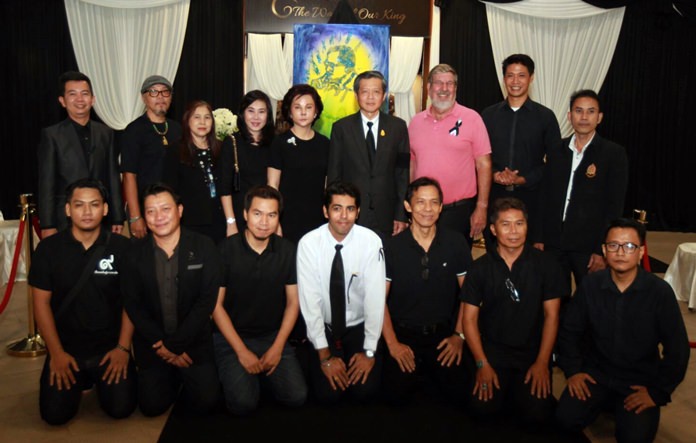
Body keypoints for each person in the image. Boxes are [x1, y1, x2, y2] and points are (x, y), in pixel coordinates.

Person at [555, 218, 690, 442]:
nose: (620, 252)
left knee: (635, 438)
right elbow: (570, 331)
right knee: (564, 419)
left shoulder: (659, 292)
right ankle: (606, 404)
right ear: (604, 250)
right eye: (613, 245)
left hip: (638, 381)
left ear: (641, 252)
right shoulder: (590, 285)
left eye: (629, 246)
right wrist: (573, 370)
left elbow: (678, 350)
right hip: (596, 375)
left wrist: (657, 393)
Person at [30, 178, 137, 425]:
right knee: (54, 416)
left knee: (120, 409)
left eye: (94, 204)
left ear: (106, 209)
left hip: (109, 350)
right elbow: (41, 304)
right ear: (68, 210)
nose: (87, 212)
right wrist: (56, 353)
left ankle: (98, 379)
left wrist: (122, 349)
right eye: (79, 205)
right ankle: (81, 378)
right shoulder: (49, 249)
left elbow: (131, 301)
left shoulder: (123, 248)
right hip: (66, 349)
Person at [460, 197, 568, 425]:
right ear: (493, 229)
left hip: (531, 352)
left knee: (537, 416)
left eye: (520, 224)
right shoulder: (479, 269)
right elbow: (469, 320)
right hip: (493, 352)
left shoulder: (547, 265)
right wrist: (482, 363)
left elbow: (552, 316)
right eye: (506, 224)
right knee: (482, 411)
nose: (513, 231)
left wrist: (542, 362)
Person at [121, 183, 222, 417]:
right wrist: (162, 346)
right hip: (153, 345)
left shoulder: (204, 246)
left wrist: (176, 345)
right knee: (151, 406)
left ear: (180, 210)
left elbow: (206, 301)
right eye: (151, 211)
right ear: (144, 216)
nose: (159, 217)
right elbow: (132, 303)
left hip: (193, 342)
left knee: (206, 403)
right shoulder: (133, 253)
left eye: (165, 209)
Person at [213, 185, 307, 415]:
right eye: (257, 213)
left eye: (271, 215)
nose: (264, 222)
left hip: (272, 336)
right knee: (243, 404)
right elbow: (215, 306)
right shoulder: (225, 249)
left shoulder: (287, 250)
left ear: (278, 218)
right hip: (233, 337)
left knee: (297, 397)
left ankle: (263, 369)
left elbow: (293, 303)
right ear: (245, 215)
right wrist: (241, 351)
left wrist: (276, 347)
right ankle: (243, 373)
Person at [381, 177, 472, 406]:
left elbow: (469, 296)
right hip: (403, 335)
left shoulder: (456, 242)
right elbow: (377, 301)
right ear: (408, 207)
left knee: (458, 396)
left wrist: (459, 336)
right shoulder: (391, 247)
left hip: (443, 336)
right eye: (420, 202)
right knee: (394, 397)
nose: (428, 209)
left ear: (441, 207)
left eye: (434, 203)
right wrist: (393, 344)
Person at [297, 181, 386, 404]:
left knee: (365, 392)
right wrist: (325, 356)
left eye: (350, 209)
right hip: (325, 328)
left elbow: (376, 299)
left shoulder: (371, 241)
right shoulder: (309, 244)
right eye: (337, 208)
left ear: (358, 212)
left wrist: (369, 351)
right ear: (325, 211)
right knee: (329, 395)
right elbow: (310, 303)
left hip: (359, 326)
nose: (344, 216)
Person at [541, 89, 629, 289]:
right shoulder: (556, 150)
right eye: (578, 111)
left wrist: (602, 248)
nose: (584, 117)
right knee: (554, 300)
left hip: (589, 247)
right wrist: (539, 238)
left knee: (591, 302)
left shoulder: (613, 154)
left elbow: (614, 206)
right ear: (569, 116)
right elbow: (543, 196)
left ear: (599, 117)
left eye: (590, 112)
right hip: (553, 243)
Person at [481, 54, 561, 250]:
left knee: (530, 265)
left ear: (531, 78)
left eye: (521, 75)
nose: (515, 81)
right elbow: (478, 157)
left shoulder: (545, 117)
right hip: (495, 197)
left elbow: (556, 162)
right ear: (504, 78)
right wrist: (494, 175)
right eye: (510, 75)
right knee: (495, 260)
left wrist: (523, 179)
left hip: (532, 199)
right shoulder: (488, 115)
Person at [409, 63, 492, 247]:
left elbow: (484, 165)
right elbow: (412, 164)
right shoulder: (415, 122)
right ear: (429, 88)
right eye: (438, 83)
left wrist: (482, 207)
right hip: (423, 211)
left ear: (455, 88)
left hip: (458, 212)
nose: (444, 89)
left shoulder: (472, 119)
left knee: (457, 270)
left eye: (450, 83)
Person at [37, 71, 124, 237]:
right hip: (65, 219)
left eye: (85, 94)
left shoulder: (106, 133)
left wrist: (118, 218)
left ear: (93, 99)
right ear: (62, 101)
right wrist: (47, 224)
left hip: (101, 218)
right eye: (72, 94)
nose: (79, 99)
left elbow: (113, 177)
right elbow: (46, 182)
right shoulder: (52, 135)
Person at [327, 70, 410, 239]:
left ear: (384, 95)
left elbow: (402, 174)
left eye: (376, 92)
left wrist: (401, 214)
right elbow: (334, 175)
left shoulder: (398, 127)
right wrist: (334, 213)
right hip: (350, 215)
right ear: (356, 95)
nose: (370, 97)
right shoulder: (341, 128)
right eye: (365, 92)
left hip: (387, 216)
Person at [121, 75, 182, 239]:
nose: (160, 97)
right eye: (154, 92)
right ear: (144, 97)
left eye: (165, 92)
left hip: (173, 208)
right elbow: (129, 176)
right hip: (145, 209)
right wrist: (135, 216)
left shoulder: (178, 129)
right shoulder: (133, 131)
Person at [267, 84, 329, 244]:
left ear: (316, 112)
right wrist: (275, 219)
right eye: (297, 107)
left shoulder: (325, 144)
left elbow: (328, 184)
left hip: (318, 218)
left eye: (308, 107)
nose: (303, 112)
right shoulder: (279, 143)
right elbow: (272, 184)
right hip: (287, 217)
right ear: (289, 111)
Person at [162, 100, 225, 243]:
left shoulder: (221, 149)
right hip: (190, 223)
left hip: (219, 222)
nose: (202, 122)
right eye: (197, 117)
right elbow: (169, 190)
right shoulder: (175, 150)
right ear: (187, 120)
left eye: (207, 117)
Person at [220, 90, 275, 236]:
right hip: (239, 214)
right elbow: (225, 188)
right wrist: (230, 222)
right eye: (251, 111)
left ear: (268, 115)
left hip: (265, 217)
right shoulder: (231, 142)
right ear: (243, 113)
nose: (256, 117)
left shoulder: (274, 143)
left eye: (261, 112)